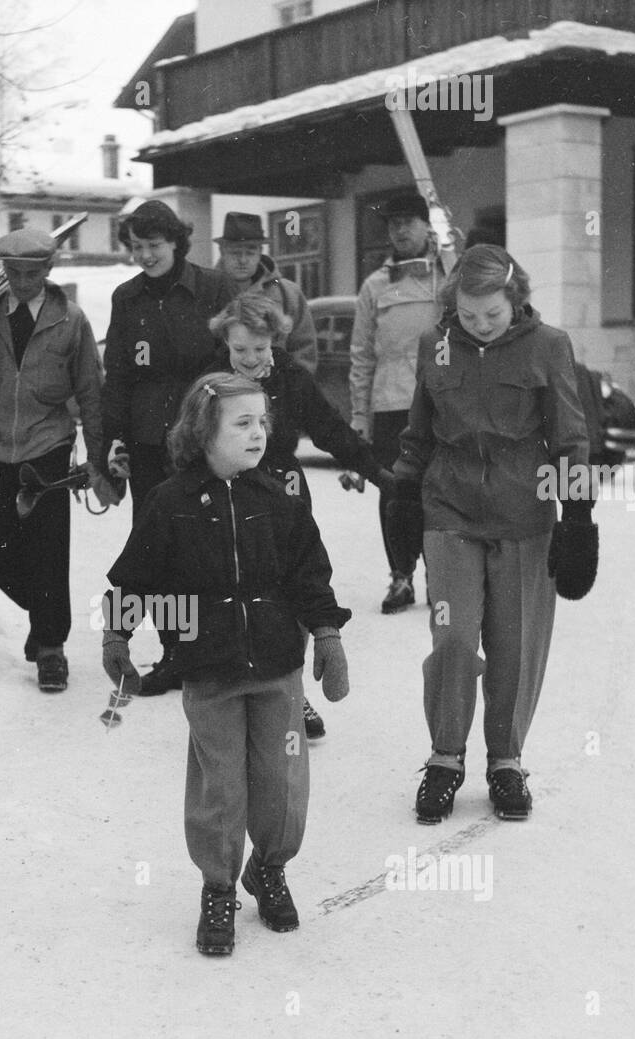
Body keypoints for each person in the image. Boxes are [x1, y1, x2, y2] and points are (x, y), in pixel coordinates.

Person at [102, 373, 352, 956]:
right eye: (242, 423)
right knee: (221, 782)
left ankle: (269, 868)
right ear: (203, 431)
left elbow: (311, 574)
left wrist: (327, 635)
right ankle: (218, 885)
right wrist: (117, 633)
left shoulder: (279, 499)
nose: (258, 433)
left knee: (281, 778)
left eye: (262, 421)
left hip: (276, 668)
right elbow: (136, 576)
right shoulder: (171, 502)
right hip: (210, 669)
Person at [389, 246, 594, 825]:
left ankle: (505, 760)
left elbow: (571, 438)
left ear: (516, 300)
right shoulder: (437, 343)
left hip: (525, 516)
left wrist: (576, 516)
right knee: (453, 636)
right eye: (468, 315)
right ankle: (445, 758)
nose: (478, 326)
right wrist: (404, 492)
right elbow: (418, 429)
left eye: (491, 315)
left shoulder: (549, 346)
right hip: (449, 511)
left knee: (515, 643)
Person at [0, 227, 114, 693]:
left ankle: (51, 648)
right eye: (13, 271)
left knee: (48, 547)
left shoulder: (71, 321)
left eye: (32, 272)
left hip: (46, 448)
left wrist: (97, 458)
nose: (22, 280)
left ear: (49, 270)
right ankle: (45, 613)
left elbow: (91, 392)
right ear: (1, 269)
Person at [207, 292, 385, 740]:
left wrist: (376, 471)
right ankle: (235, 690)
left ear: (275, 340)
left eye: (260, 349)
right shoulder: (210, 382)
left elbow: (328, 428)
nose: (250, 359)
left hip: (283, 492)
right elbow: (188, 439)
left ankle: (290, 692)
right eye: (240, 349)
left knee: (292, 590)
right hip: (227, 490)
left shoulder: (290, 376)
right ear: (225, 342)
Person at [100, 199, 235, 696]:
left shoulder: (213, 287)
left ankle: (215, 648)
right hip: (148, 443)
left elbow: (232, 358)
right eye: (135, 248)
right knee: (157, 547)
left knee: (210, 543)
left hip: (202, 437)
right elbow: (117, 377)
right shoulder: (126, 298)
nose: (145, 256)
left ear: (177, 241)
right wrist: (108, 449)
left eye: (153, 246)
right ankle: (176, 652)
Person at [349, 191, 457, 614]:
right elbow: (361, 355)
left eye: (407, 221)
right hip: (392, 404)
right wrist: (360, 416)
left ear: (425, 224)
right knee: (395, 494)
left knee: (440, 491)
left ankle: (441, 576)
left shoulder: (448, 275)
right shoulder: (375, 286)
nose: (399, 230)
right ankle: (400, 577)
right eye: (392, 224)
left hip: (440, 401)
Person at [213, 211, 317, 374]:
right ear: (222, 251)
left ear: (260, 251)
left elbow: (304, 352)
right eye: (235, 252)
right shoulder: (206, 291)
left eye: (250, 252)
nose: (243, 260)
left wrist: (290, 389)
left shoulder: (288, 293)